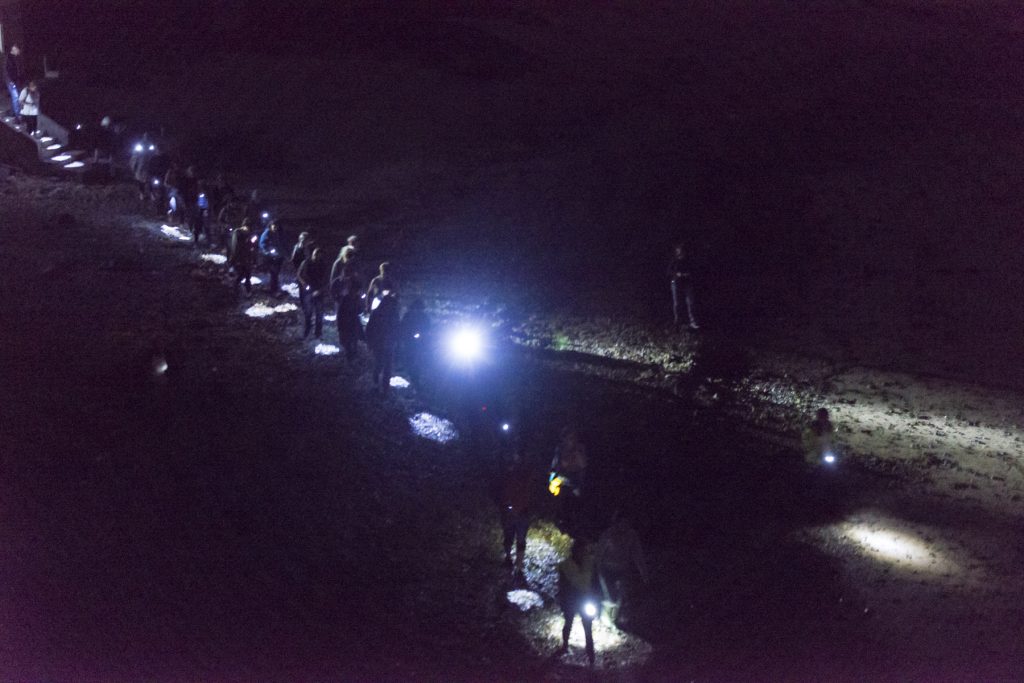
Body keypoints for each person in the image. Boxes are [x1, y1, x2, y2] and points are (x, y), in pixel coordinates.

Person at [596, 513, 648, 626]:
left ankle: (613, 620)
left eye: (626, 523)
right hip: (607, 570)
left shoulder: (631, 535)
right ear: (617, 523)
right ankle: (603, 614)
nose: (624, 526)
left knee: (620, 597)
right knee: (610, 597)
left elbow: (637, 555)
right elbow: (599, 553)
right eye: (622, 523)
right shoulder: (608, 534)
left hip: (622, 570)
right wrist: (597, 570)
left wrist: (644, 573)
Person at [557, 539, 599, 666]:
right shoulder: (565, 565)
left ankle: (590, 654)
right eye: (580, 550)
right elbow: (562, 586)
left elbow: (596, 583)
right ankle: (565, 645)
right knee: (568, 623)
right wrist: (563, 602)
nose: (582, 553)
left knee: (587, 627)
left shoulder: (591, 563)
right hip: (572, 599)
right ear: (574, 551)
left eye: (584, 551)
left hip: (585, 599)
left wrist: (596, 599)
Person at [500, 448, 533, 579]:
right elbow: (504, 491)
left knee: (519, 539)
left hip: (520, 511)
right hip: (513, 511)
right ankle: (509, 559)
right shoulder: (510, 472)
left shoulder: (524, 473)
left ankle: (518, 566)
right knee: (510, 537)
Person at [550, 427, 589, 535]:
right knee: (561, 505)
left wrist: (576, 453)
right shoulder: (560, 449)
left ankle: (574, 529)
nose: (569, 440)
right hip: (561, 482)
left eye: (572, 437)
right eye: (567, 437)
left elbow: (583, 465)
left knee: (575, 506)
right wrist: (551, 480)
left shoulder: (579, 448)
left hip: (575, 483)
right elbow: (554, 466)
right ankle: (562, 524)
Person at [365, 290, 400, 393]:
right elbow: (370, 328)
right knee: (381, 364)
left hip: (385, 343)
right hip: (381, 343)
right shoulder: (379, 313)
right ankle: (379, 385)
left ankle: (384, 387)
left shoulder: (391, 313)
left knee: (384, 365)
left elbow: (397, 328)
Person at [331, 263, 364, 362]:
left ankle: (353, 353)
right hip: (346, 321)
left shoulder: (354, 293)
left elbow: (359, 309)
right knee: (347, 340)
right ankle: (350, 355)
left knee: (353, 339)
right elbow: (333, 292)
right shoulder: (345, 299)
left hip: (352, 321)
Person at [297, 247, 328, 339]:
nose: (317, 257)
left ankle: (318, 333)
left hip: (319, 291)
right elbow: (299, 275)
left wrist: (321, 290)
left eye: (319, 256)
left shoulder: (323, 264)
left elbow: (325, 279)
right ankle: (306, 331)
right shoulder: (306, 263)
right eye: (316, 255)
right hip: (308, 291)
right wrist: (304, 285)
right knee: (308, 313)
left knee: (319, 313)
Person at [399, 298, 430, 387]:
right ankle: (413, 376)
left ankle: (415, 377)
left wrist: (421, 335)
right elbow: (403, 327)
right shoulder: (408, 315)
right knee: (411, 359)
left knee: (417, 360)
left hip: (419, 342)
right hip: (410, 341)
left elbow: (427, 328)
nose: (418, 310)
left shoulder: (423, 317)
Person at [668, 243, 699, 330]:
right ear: (676, 251)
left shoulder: (688, 260)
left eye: (681, 251)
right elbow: (669, 271)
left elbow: (693, 270)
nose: (680, 253)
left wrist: (687, 274)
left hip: (687, 283)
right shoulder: (674, 260)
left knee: (691, 302)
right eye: (678, 251)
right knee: (677, 304)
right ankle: (677, 322)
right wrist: (677, 274)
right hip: (676, 283)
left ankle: (693, 322)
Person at [258, 220, 286, 294]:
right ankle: (273, 289)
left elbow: (281, 244)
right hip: (271, 258)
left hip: (278, 256)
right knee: (274, 273)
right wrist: (268, 252)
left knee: (276, 273)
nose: (275, 228)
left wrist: (283, 254)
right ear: (270, 226)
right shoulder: (267, 233)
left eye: (277, 226)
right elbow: (262, 245)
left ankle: (275, 288)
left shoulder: (278, 233)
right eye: (274, 226)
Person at [230, 219, 256, 295]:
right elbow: (235, 246)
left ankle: (248, 290)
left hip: (248, 257)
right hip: (240, 258)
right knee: (240, 275)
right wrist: (233, 259)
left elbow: (254, 246)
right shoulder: (237, 232)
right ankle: (235, 288)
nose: (248, 229)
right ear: (243, 226)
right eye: (247, 227)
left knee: (248, 275)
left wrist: (254, 259)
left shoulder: (251, 234)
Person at [5, 45, 23, 124]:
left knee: (16, 97)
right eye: (17, 50)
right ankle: (17, 116)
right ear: (13, 50)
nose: (18, 51)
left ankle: (13, 113)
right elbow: (7, 70)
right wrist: (11, 81)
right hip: (11, 81)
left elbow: (18, 70)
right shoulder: (9, 58)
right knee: (16, 97)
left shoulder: (16, 58)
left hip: (16, 80)